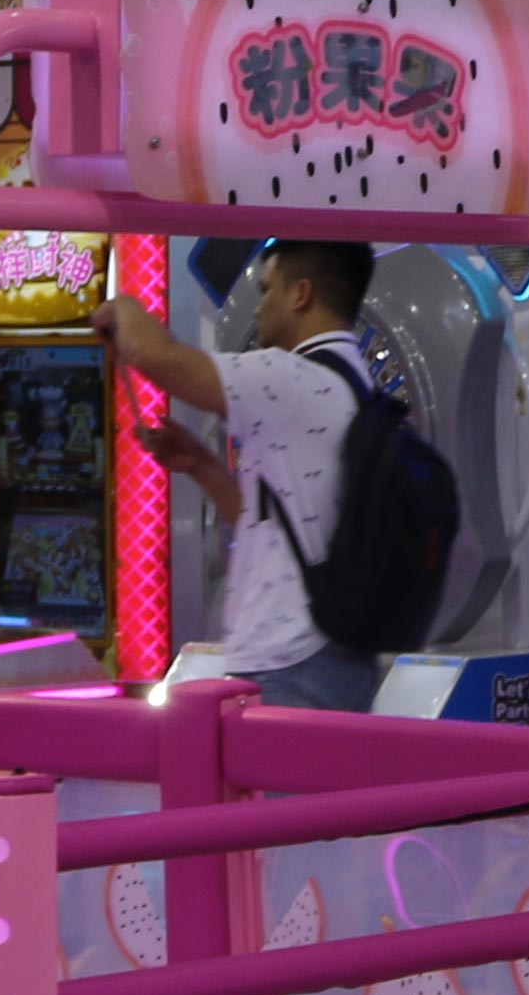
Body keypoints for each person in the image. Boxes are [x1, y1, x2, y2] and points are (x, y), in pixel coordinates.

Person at [100, 239, 390, 711]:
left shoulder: (286, 375)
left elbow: (159, 356)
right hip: (337, 653)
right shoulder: (357, 383)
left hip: (291, 658)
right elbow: (278, 523)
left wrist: (122, 306)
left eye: (266, 289)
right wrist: (201, 465)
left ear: (300, 294)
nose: (258, 308)